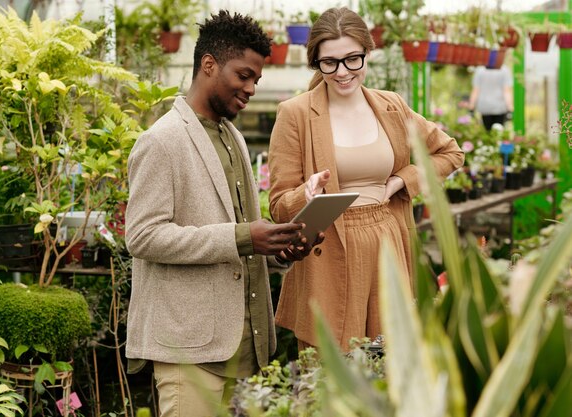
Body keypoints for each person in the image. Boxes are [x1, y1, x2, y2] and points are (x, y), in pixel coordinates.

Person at [124, 10, 322, 417]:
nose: (250, 88)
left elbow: (242, 238)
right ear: (209, 65)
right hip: (191, 353)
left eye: (256, 80)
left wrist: (280, 250)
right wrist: (244, 236)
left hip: (247, 350)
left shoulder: (230, 135)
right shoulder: (161, 141)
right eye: (244, 75)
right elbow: (142, 236)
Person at [268, 7, 464, 352]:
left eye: (352, 59)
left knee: (391, 364)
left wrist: (402, 180)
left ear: (367, 54)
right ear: (316, 63)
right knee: (330, 374)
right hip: (326, 253)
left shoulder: (391, 107)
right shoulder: (296, 114)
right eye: (330, 63)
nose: (342, 72)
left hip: (389, 241)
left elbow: (449, 154)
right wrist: (305, 194)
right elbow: (279, 207)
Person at [468, 65, 514, 130]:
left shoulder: (480, 70)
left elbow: (476, 90)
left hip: (485, 107)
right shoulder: (504, 70)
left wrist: (471, 109)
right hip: (500, 108)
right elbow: (506, 91)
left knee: (487, 132)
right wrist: (510, 109)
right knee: (499, 132)